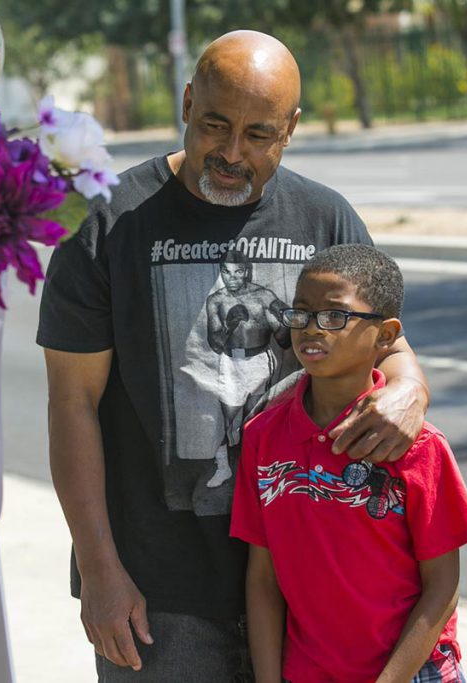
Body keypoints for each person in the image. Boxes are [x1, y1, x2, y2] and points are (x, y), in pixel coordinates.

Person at [37, 30, 431, 678]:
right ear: (188, 101)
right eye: (215, 124)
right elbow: (71, 404)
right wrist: (100, 569)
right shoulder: (110, 226)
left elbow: (392, 349)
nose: (230, 152)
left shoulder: (324, 218)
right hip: (162, 599)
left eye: (258, 134)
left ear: (292, 128)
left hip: (312, 580)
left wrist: (410, 387)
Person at [231, 245, 467, 682]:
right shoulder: (262, 437)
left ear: (385, 336)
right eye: (302, 313)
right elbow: (263, 578)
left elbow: (442, 587)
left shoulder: (420, 445)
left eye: (334, 316)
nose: (312, 329)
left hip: (413, 673)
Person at [205, 249, 290, 487]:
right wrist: (230, 324)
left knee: (255, 417)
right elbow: (215, 344)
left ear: (246, 271)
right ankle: (223, 468)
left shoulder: (263, 296)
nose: (231, 278)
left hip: (259, 359)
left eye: (237, 272)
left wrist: (281, 321)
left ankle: (251, 469)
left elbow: (285, 339)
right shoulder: (216, 300)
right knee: (227, 419)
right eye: (226, 272)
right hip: (230, 362)